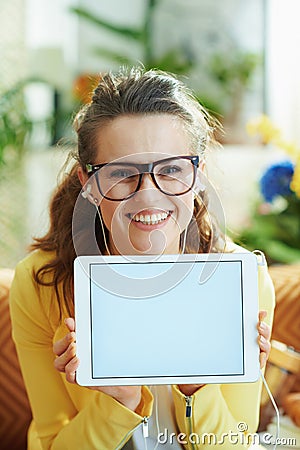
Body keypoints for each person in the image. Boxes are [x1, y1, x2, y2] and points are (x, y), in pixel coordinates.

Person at [9, 66, 274, 450]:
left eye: (170, 170)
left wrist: (197, 384)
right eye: (122, 173)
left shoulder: (244, 280)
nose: (148, 195)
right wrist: (119, 400)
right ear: (89, 184)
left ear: (197, 175)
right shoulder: (40, 284)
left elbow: (236, 442)